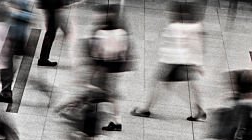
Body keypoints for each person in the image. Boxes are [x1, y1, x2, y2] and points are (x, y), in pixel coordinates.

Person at [131, 1, 205, 121]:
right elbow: (197, 46)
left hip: (171, 62)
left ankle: (144, 109)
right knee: (188, 86)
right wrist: (198, 64)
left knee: (157, 83)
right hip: (186, 61)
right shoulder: (196, 27)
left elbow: (170, 46)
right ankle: (199, 110)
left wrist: (164, 64)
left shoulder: (174, 27)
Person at [88, 4, 130, 132]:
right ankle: (113, 119)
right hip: (117, 67)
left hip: (104, 67)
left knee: (109, 95)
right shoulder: (122, 32)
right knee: (111, 94)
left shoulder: (100, 33)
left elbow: (96, 52)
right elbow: (124, 51)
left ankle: (117, 121)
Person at [0, 0, 33, 105]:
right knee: (6, 63)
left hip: (11, 34)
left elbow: (25, 15)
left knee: (6, 63)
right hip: (11, 32)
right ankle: (6, 91)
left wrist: (10, 9)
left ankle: (6, 93)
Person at [36, 0, 66, 67]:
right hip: (51, 6)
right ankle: (43, 59)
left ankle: (43, 58)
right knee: (50, 33)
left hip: (51, 6)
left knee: (50, 32)